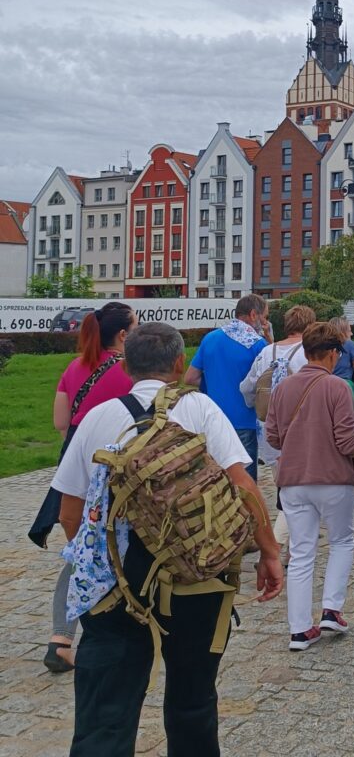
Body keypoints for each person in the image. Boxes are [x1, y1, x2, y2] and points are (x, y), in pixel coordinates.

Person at [51, 322, 283, 757]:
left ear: (125, 364)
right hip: (197, 579)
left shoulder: (99, 416)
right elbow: (246, 490)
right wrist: (269, 553)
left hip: (116, 590)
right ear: (179, 364)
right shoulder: (202, 410)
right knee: (193, 702)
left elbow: (70, 514)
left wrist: (108, 564)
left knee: (105, 715)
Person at [30, 302, 136, 673]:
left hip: (76, 467)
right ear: (123, 335)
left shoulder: (74, 367)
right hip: (118, 468)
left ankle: (61, 636)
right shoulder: (129, 371)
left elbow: (61, 420)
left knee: (80, 549)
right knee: (112, 546)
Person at [265, 322, 354, 651]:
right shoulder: (338, 387)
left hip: (293, 480)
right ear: (332, 354)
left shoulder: (282, 388)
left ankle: (299, 629)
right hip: (332, 479)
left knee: (301, 552)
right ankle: (331, 609)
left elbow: (272, 436)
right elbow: (346, 438)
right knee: (341, 541)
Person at [240, 304, 318, 556]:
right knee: (296, 493)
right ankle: (278, 545)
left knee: (286, 486)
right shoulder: (308, 354)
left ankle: (286, 545)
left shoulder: (266, 351)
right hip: (301, 430)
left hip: (269, 432)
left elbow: (247, 388)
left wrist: (258, 406)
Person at [185, 294, 272, 480]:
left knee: (215, 480)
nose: (266, 322)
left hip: (212, 418)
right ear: (253, 314)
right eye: (265, 316)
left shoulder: (210, 338)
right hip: (244, 420)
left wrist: (213, 385)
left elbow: (190, 377)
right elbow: (269, 380)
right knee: (243, 483)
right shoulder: (257, 344)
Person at [328, 316, 354, 391]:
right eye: (349, 331)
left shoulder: (324, 345)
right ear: (343, 332)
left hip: (326, 386)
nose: (351, 333)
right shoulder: (350, 345)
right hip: (344, 388)